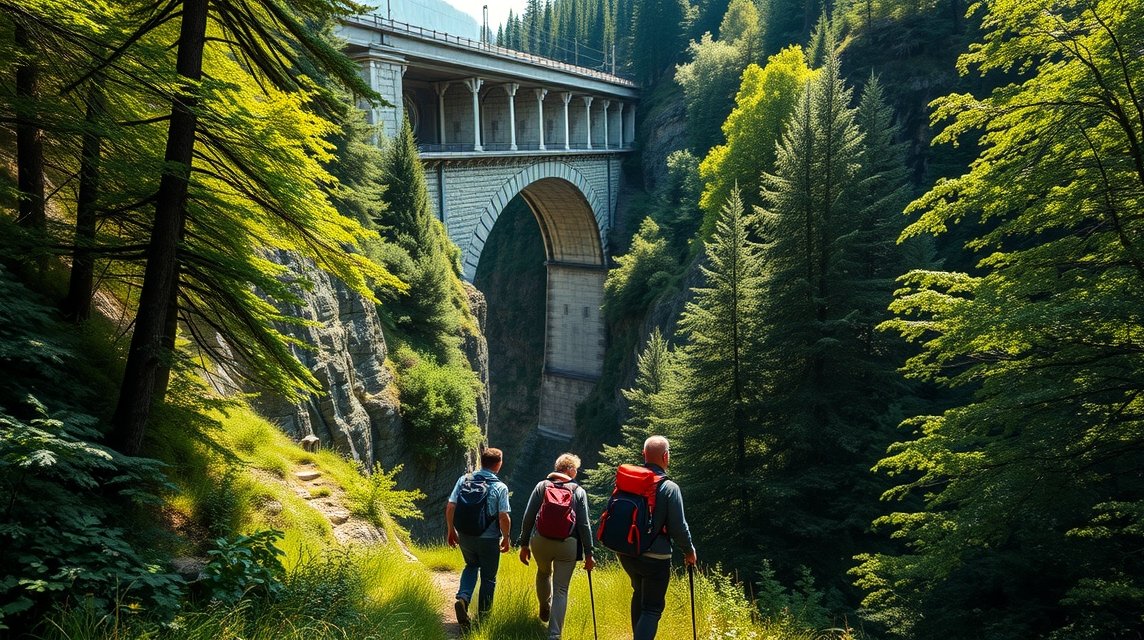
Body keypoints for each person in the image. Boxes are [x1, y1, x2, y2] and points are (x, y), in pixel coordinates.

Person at [619, 435, 696, 640]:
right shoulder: (670, 488)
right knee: (652, 609)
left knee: (639, 593)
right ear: (666, 456)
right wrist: (689, 551)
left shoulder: (629, 479)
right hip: (655, 557)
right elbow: (678, 527)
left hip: (627, 552)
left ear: (644, 455)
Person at [517, 453, 595, 640]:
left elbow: (529, 516)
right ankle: (554, 635)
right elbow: (584, 525)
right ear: (569, 469)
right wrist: (589, 553)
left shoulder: (542, 486)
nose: (576, 472)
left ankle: (544, 606)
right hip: (567, 544)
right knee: (561, 590)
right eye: (575, 468)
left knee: (544, 573)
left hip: (541, 541)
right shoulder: (578, 491)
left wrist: (524, 543)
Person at [446, 447, 511, 630]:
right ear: (499, 464)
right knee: (488, 578)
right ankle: (483, 620)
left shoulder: (464, 480)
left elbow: (451, 506)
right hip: (489, 539)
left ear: (482, 462)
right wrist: (506, 537)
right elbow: (503, 516)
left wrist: (451, 530)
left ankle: (463, 598)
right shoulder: (500, 487)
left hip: (466, 535)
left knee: (471, 566)